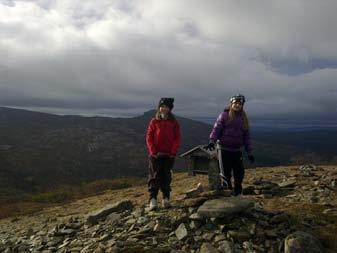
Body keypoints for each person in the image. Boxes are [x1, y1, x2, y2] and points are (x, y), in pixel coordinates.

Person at [206, 94, 254, 196]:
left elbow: (247, 137)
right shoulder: (224, 115)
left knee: (239, 173)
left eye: (239, 103)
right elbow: (216, 129)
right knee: (225, 173)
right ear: (231, 104)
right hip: (223, 149)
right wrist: (212, 141)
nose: (237, 105)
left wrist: (249, 152)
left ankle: (238, 192)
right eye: (235, 103)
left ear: (242, 105)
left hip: (237, 150)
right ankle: (228, 193)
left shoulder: (244, 118)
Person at [146, 98, 181, 210]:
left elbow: (177, 138)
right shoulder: (154, 121)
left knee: (166, 176)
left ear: (170, 108)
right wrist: (153, 151)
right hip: (155, 155)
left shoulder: (174, 123)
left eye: (166, 106)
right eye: (161, 106)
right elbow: (149, 137)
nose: (163, 108)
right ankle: (153, 200)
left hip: (169, 155)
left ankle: (166, 198)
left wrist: (173, 152)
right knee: (154, 176)